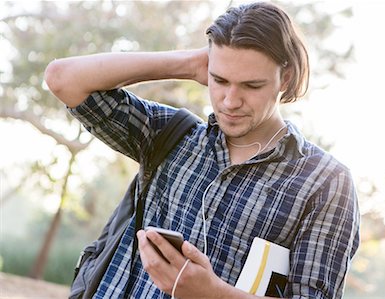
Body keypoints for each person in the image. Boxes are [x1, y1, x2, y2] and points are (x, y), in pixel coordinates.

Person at [45, 2, 359, 298]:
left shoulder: (326, 182)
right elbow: (63, 79)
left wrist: (212, 293)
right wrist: (188, 64)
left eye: (251, 85)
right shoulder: (169, 135)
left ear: (285, 78)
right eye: (219, 80)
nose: (230, 100)